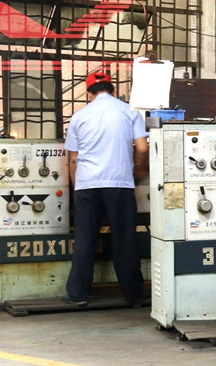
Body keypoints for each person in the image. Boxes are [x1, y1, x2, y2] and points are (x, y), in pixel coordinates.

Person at [62, 71, 148, 307]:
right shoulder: (129, 112)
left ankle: (78, 294)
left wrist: (77, 187)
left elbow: (73, 159)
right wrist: (138, 171)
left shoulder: (79, 116)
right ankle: (133, 294)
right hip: (119, 183)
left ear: (89, 94)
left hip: (88, 185)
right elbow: (142, 147)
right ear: (113, 90)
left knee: (85, 239)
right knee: (125, 238)